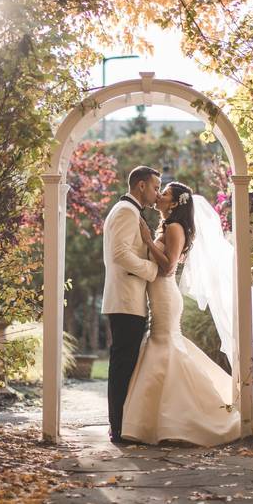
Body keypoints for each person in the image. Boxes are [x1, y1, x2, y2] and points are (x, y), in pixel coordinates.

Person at [120, 181, 253, 446]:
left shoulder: (175, 227)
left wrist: (148, 240)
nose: (159, 195)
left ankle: (195, 416)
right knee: (164, 346)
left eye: (165, 193)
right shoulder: (168, 226)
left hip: (165, 294)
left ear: (174, 203)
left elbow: (169, 267)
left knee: (164, 344)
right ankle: (164, 420)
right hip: (158, 293)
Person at [101, 165, 161, 444]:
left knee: (124, 365)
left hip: (127, 299)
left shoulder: (129, 210)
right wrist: (151, 270)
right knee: (122, 366)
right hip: (126, 299)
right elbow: (120, 253)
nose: (156, 193)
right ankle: (118, 428)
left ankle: (121, 425)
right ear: (140, 186)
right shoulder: (126, 211)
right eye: (155, 187)